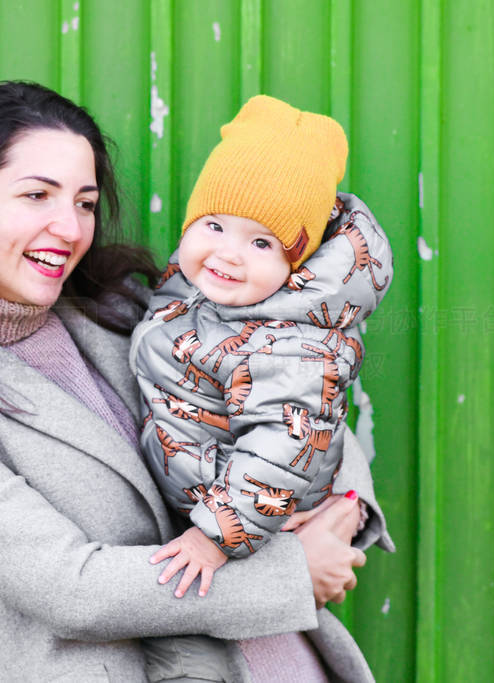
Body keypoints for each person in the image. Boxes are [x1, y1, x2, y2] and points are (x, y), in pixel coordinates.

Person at [0, 81, 383, 682]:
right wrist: (294, 572)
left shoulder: (131, 310)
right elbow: (71, 587)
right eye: (37, 195)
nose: (68, 228)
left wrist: (344, 508)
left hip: (289, 663)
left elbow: (298, 393)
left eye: (85, 203)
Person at [129, 95, 395, 679]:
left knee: (195, 657)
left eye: (261, 243)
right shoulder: (204, 291)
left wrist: (213, 539)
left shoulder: (290, 344)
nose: (227, 253)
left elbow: (282, 449)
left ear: (295, 265)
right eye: (214, 225)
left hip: (250, 520)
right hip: (216, 503)